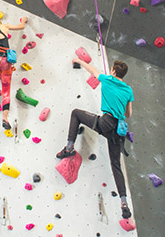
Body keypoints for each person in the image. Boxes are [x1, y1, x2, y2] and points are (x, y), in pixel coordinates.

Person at [57, 58, 134, 219]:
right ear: (124, 74)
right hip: (118, 131)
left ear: (113, 71)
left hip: (106, 123)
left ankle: (69, 147)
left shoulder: (107, 79)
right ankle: (124, 202)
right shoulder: (128, 90)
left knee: (76, 113)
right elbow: (128, 114)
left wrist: (78, 60)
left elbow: (92, 70)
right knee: (116, 165)